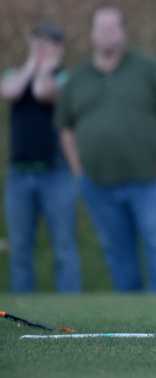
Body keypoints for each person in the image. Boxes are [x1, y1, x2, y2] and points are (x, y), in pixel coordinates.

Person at [56, 6, 156, 292]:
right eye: (101, 28)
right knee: (116, 251)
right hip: (98, 183)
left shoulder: (148, 67)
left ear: (123, 32)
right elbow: (64, 126)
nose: (107, 33)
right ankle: (130, 316)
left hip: (148, 178)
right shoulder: (78, 77)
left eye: (113, 27)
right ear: (92, 34)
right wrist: (77, 167)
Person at [2, 22, 82, 293]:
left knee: (63, 248)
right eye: (35, 43)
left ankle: (72, 307)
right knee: (20, 248)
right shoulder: (16, 75)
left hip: (55, 172)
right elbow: (9, 92)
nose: (39, 50)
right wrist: (30, 64)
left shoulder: (65, 79)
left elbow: (42, 92)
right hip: (18, 173)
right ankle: (23, 303)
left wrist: (46, 67)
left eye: (45, 44)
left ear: (59, 49)